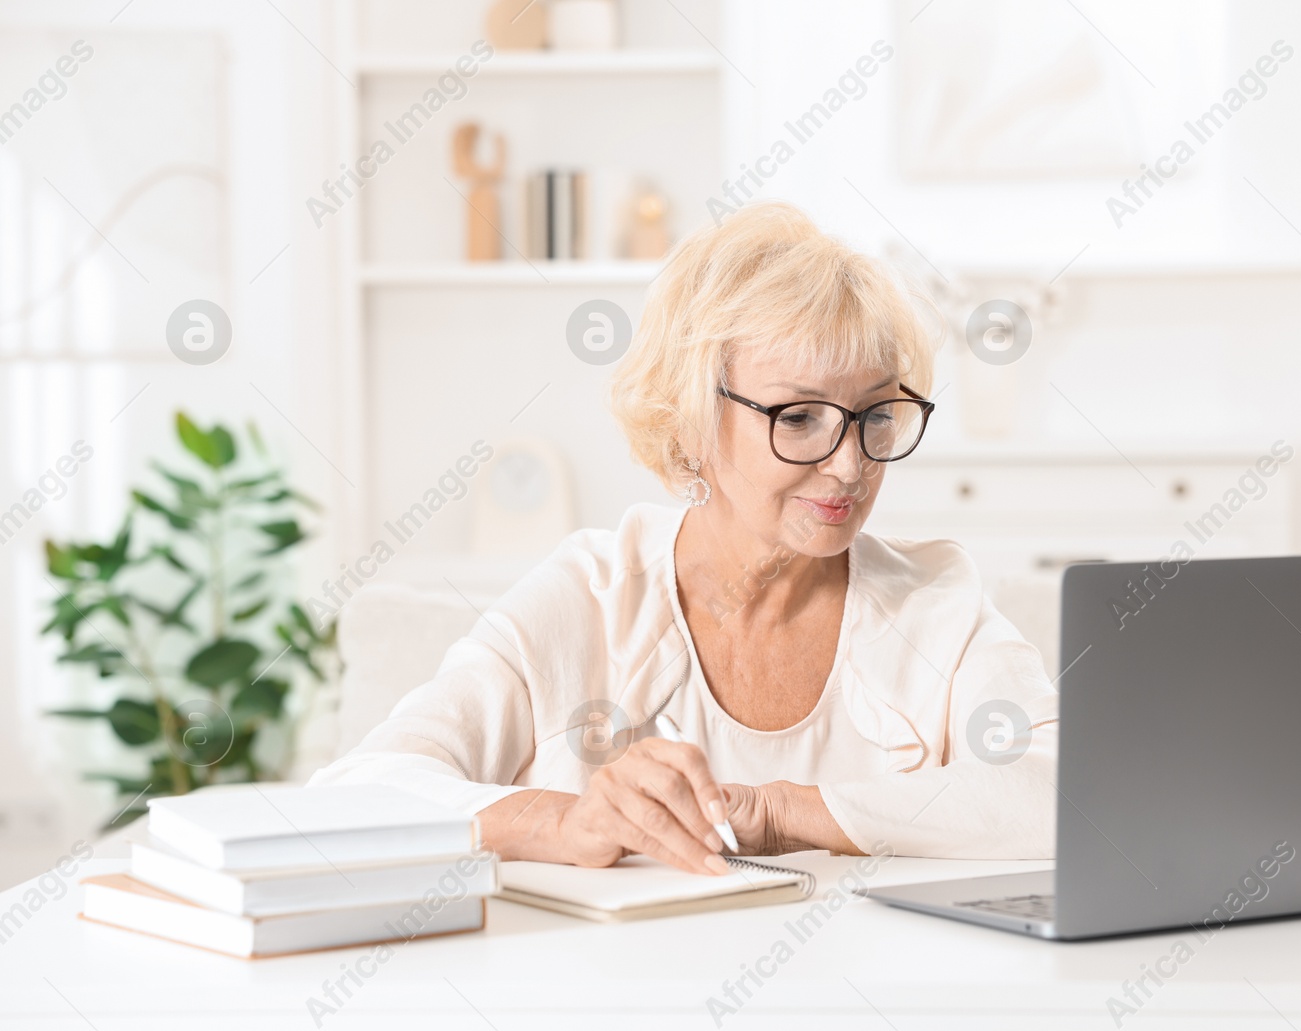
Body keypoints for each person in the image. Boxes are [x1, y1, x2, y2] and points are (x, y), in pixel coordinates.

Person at [309, 202, 1058, 873]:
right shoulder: (590, 598)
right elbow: (355, 791)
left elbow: (1063, 787)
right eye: (798, 418)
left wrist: (776, 813)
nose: (849, 464)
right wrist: (568, 822)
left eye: (875, 415)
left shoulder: (934, 603)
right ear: (694, 423)